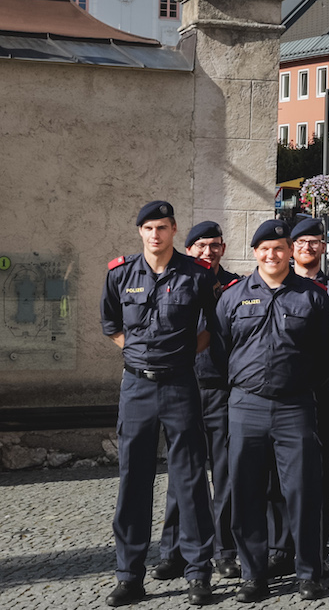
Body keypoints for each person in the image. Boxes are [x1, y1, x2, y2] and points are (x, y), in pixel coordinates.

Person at [100, 200, 218, 607]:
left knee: (189, 482)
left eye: (163, 227)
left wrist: (182, 357)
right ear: (140, 232)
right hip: (136, 389)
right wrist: (135, 354)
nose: (156, 234)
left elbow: (210, 329)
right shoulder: (120, 273)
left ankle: (198, 573)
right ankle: (129, 576)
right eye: (149, 228)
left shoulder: (196, 274)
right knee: (134, 481)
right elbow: (111, 325)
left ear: (173, 230)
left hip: (180, 386)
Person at [213, 219, 329, 602]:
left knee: (303, 491)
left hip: (295, 406)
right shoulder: (233, 297)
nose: (272, 255)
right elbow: (219, 351)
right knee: (247, 492)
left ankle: (309, 572)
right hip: (246, 406)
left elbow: (328, 352)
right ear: (255, 253)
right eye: (264, 249)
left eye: (279, 248)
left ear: (289, 252)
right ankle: (253, 574)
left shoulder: (312, 296)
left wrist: (299, 384)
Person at [154, 221, 241, 584]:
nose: (208, 252)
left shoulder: (238, 286)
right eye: (201, 245)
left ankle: (223, 552)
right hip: (184, 387)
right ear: (189, 249)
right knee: (181, 477)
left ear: (223, 248)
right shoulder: (176, 280)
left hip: (223, 389)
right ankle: (173, 552)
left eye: (215, 245)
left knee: (225, 477)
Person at [269, 218, 329, 575]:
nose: (307, 247)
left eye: (314, 241)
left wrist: (316, 377)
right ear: (290, 248)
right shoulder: (280, 286)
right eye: (300, 242)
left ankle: (316, 545)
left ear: (323, 247)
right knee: (276, 472)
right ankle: (279, 546)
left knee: (320, 472)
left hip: (320, 392)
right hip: (282, 396)